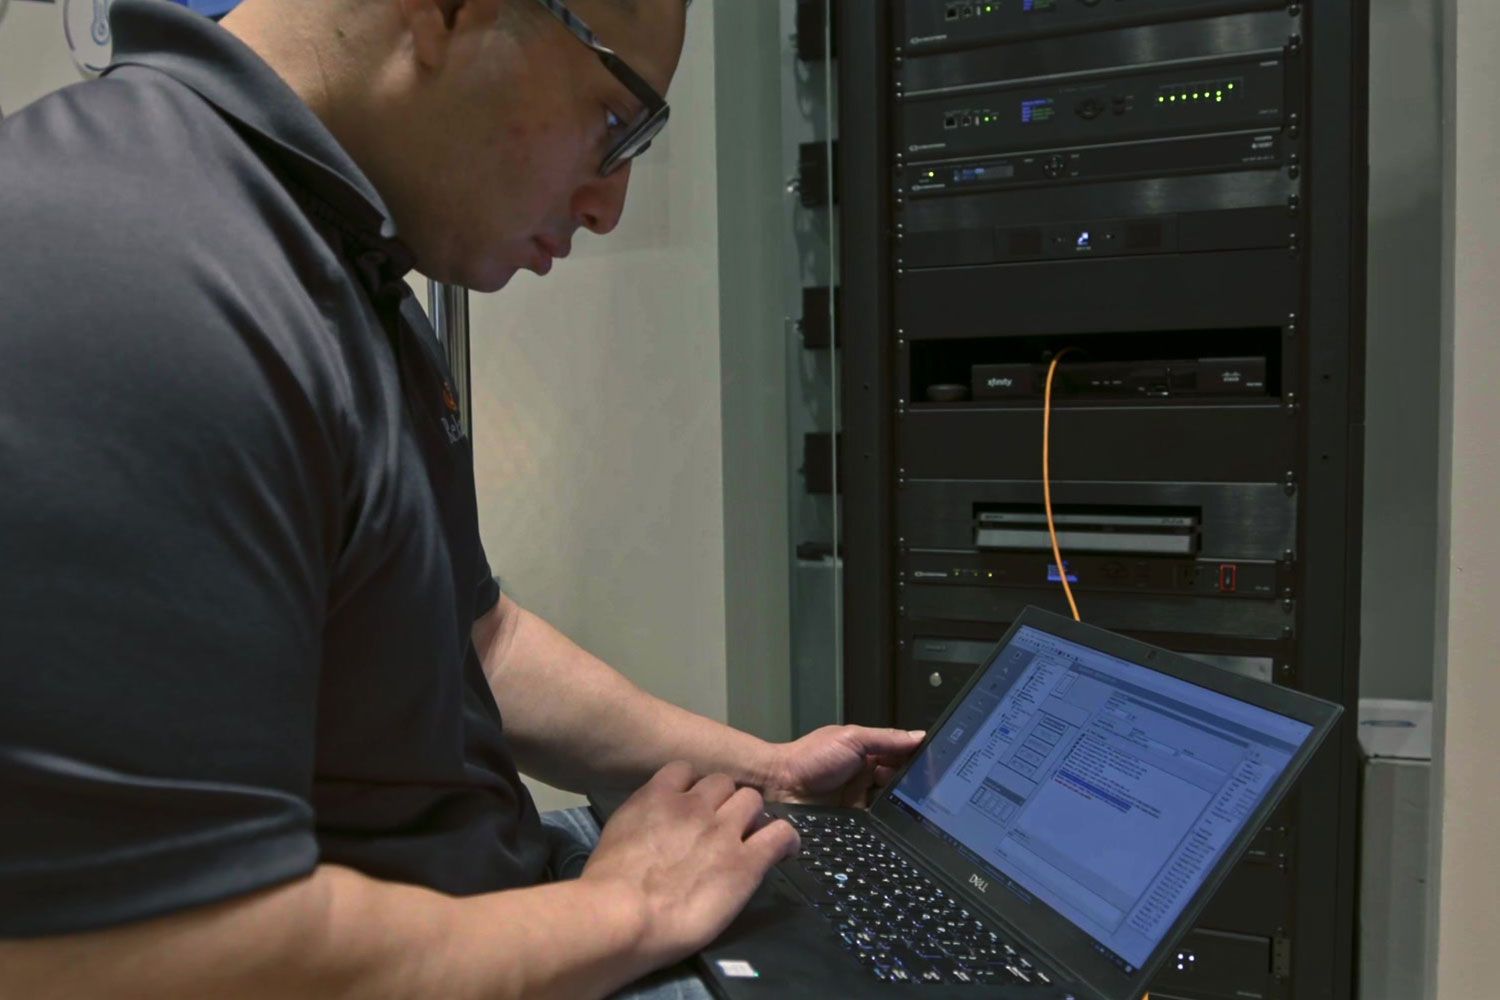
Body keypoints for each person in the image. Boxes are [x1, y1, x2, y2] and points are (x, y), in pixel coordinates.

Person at [0, 0, 924, 996]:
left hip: (500, 899)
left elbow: (478, 639)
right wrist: (630, 909)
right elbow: (140, 959)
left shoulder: (334, 254)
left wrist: (769, 771)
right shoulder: (128, 267)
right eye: (616, 122)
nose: (608, 206)